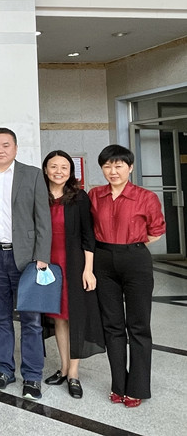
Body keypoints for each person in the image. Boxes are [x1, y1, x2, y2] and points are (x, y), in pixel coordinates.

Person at [0, 128, 51, 400]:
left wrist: (42, 257)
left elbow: (43, 219)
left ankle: (32, 376)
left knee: (31, 320)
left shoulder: (32, 174)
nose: (0, 150)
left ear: (15, 148)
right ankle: (4, 370)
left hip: (26, 258)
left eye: (6, 145)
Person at [88, 145, 165, 408]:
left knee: (139, 325)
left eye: (119, 165)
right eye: (107, 166)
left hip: (135, 260)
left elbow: (156, 230)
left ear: (130, 167)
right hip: (103, 261)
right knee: (112, 325)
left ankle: (138, 387)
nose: (113, 171)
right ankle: (118, 384)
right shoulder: (95, 195)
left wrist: (132, 246)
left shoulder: (146, 197)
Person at [41, 150, 105, 399]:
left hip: (74, 264)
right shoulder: (39, 195)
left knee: (74, 317)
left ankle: (74, 373)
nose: (58, 171)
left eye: (64, 167)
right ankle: (64, 367)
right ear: (45, 169)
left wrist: (88, 269)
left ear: (70, 172)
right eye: (53, 166)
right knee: (58, 318)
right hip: (48, 265)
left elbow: (89, 235)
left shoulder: (79, 197)